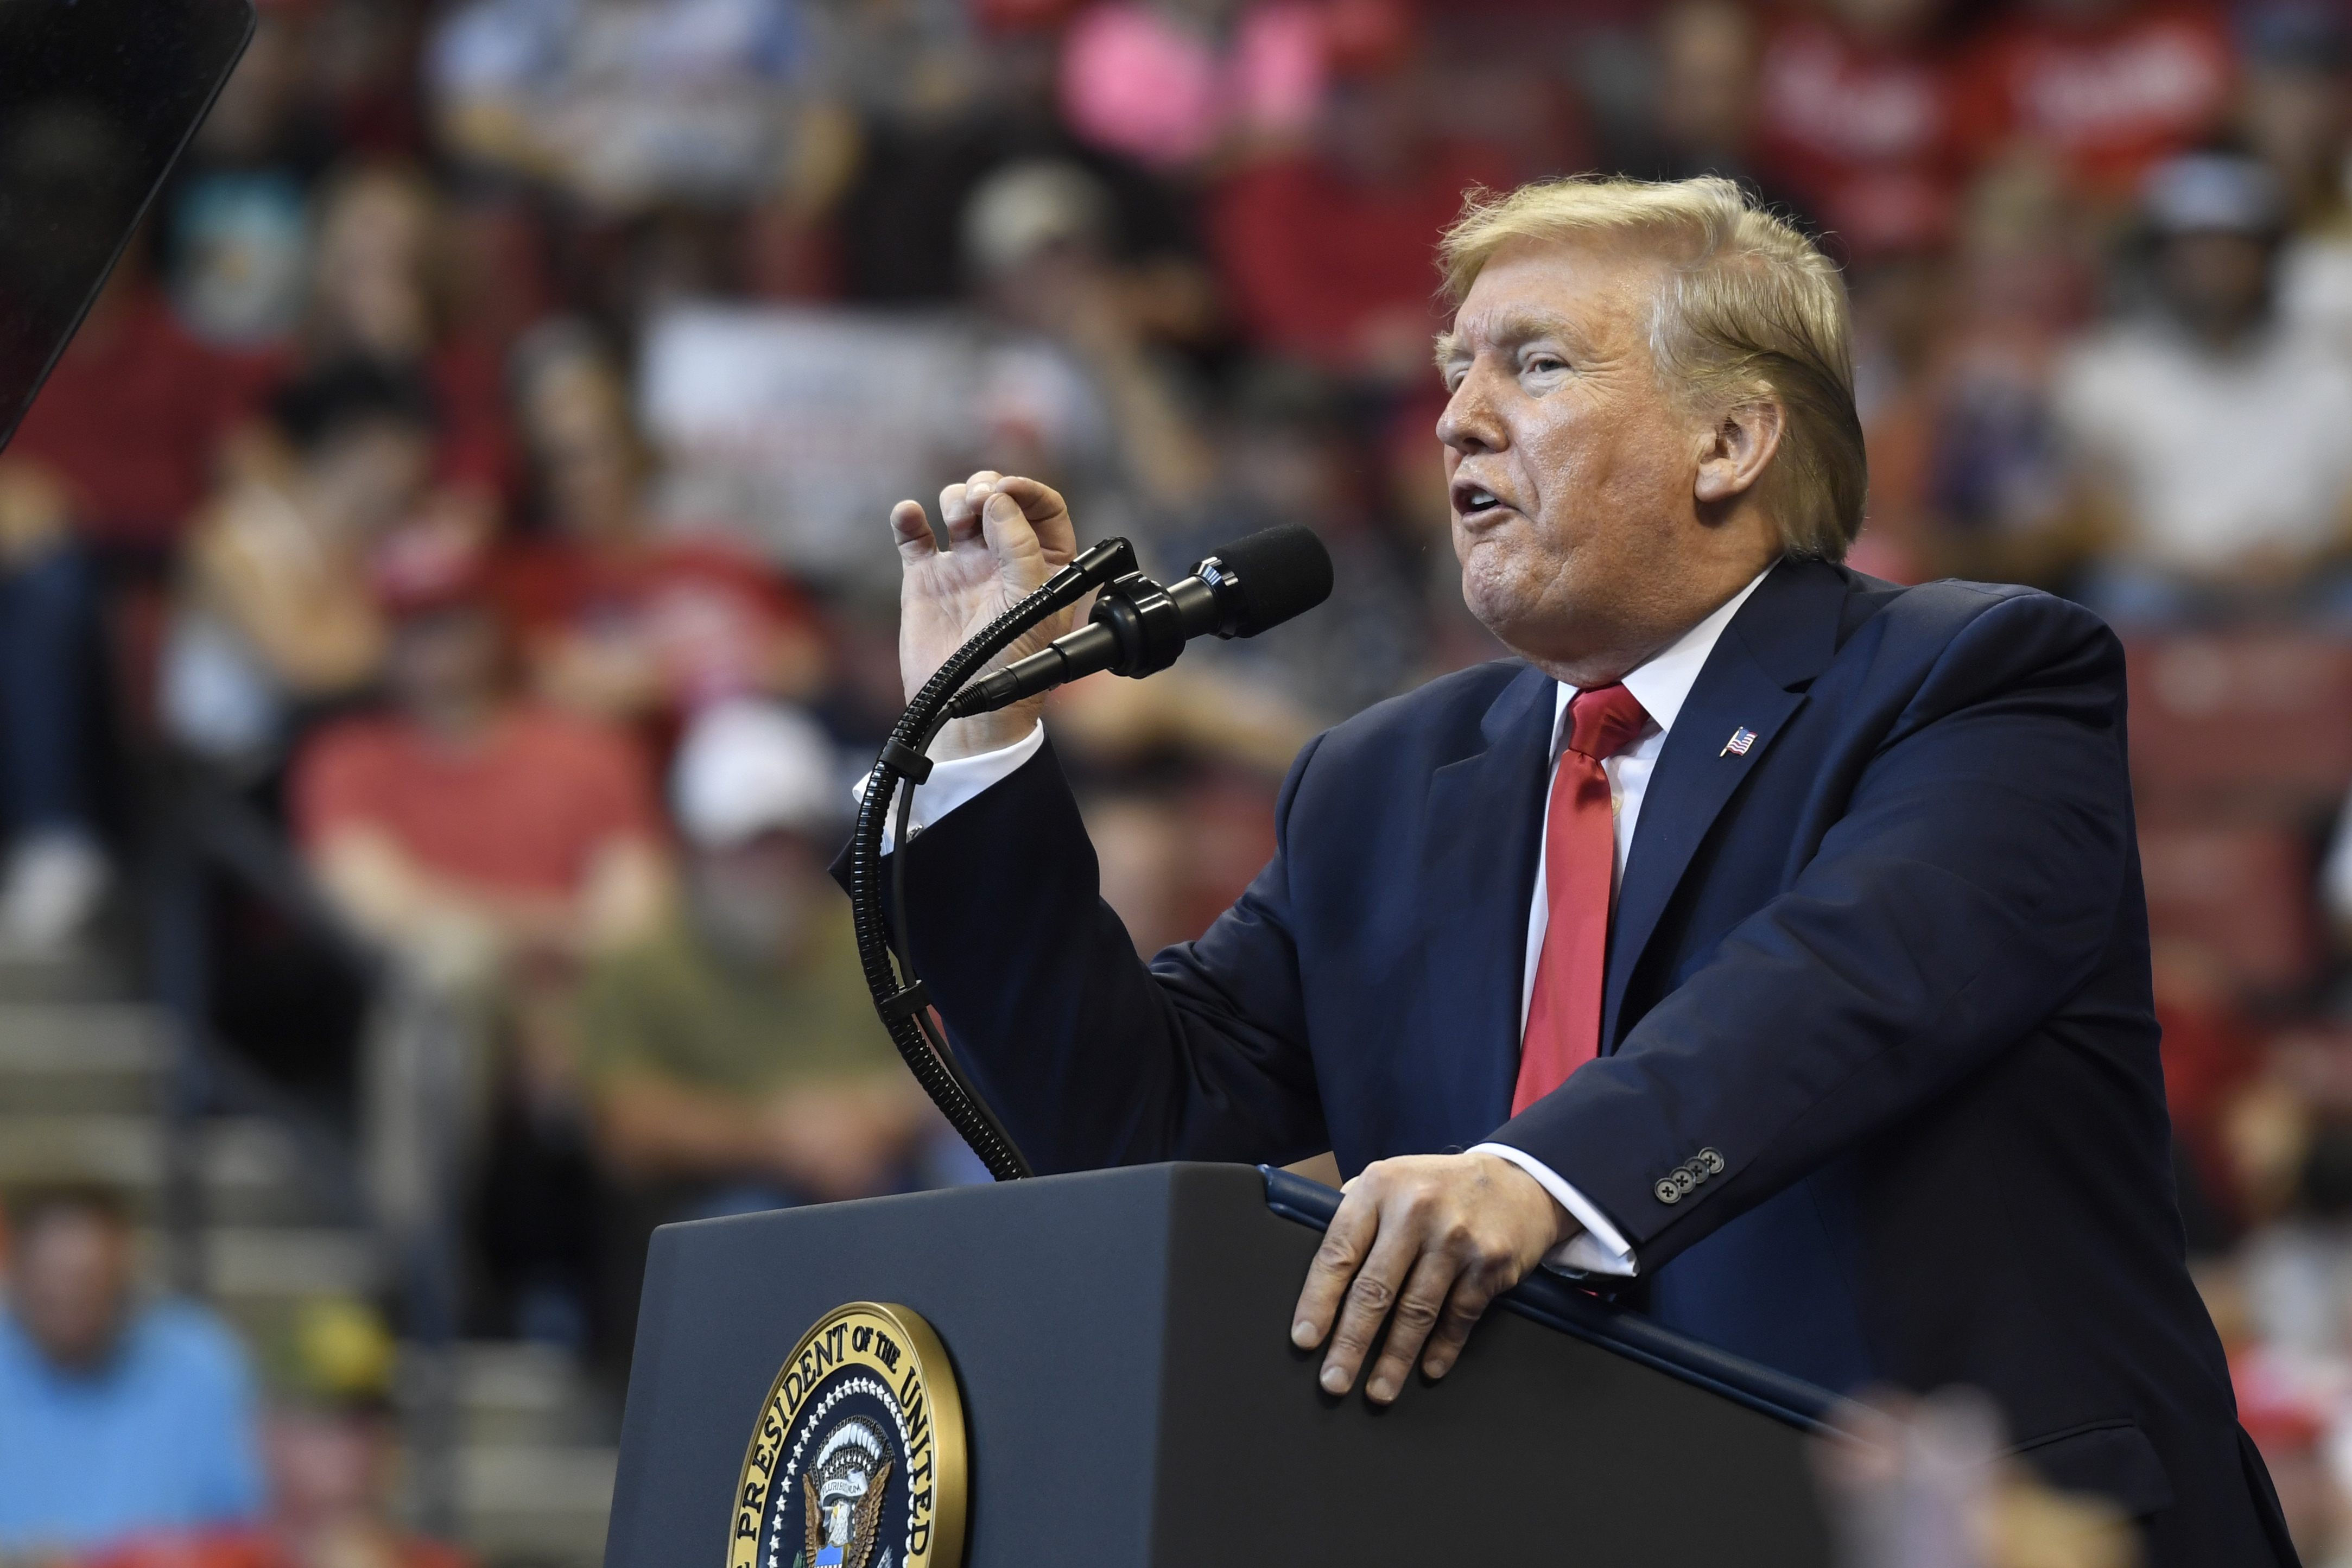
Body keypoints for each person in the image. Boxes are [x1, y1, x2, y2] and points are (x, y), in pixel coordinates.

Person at [870, 174, 2295, 1561]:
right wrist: (982, 743)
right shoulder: (1376, 783)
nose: (1453, 420)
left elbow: (1842, 984)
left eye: (1531, 365)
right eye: (1449, 372)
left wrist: (1534, 1176)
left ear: (1728, 442)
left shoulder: (1974, 680)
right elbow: (1129, 1124)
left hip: (1960, 1532)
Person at [576, 700, 947, 1345]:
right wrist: (781, 1138)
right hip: (721, 1201)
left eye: (787, 843)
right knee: (746, 1226)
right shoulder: (640, 963)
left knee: (970, 1187)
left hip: (881, 1177)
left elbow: (950, 1063)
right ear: (697, 849)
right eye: (748, 847)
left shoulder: (872, 940)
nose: (771, 870)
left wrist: (872, 1118)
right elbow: (626, 1125)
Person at [2051, 150, 2352, 623]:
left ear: (2268, 256)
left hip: (2308, 578)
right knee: (2126, 596)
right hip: (2170, 580)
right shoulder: (2105, 368)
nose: (2214, 265)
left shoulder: (2327, 367)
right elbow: (2091, 511)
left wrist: (2299, 560)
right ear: (2160, 258)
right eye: (2193, 248)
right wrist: (2206, 569)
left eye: (2234, 247)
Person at [0, 1187, 265, 1557]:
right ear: (15, 1274)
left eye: (90, 1281)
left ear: (125, 1271)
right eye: (52, 1279)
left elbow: (252, 1522)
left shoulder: (201, 1362)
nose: (70, 1300)